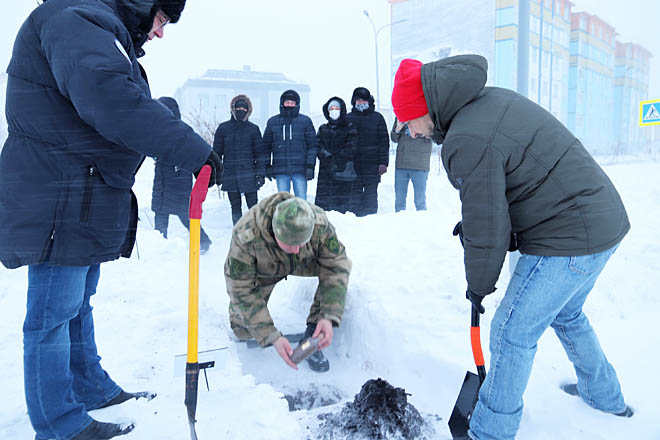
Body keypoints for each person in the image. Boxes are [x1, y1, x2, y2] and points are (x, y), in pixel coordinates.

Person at [0, 1, 223, 439]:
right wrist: (189, 148)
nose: (159, 33)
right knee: (52, 316)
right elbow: (112, 101)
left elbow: (119, 101)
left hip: (79, 192)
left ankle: (89, 388)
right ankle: (59, 424)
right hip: (58, 194)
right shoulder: (75, 19)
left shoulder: (98, 27)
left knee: (77, 304)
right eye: (162, 20)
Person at [392, 55, 632, 440]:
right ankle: (604, 397)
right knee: (567, 313)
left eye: (408, 121)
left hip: (568, 234)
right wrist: (480, 228)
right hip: (601, 220)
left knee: (510, 330)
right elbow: (497, 200)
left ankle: (490, 433)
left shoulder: (466, 138)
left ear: (424, 110)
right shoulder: (483, 102)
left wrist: (478, 286)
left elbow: (488, 226)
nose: (411, 132)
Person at [224, 193, 351, 373]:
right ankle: (243, 324)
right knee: (243, 330)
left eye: (302, 242)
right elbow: (240, 289)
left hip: (304, 263)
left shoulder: (317, 223)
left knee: (332, 272)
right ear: (275, 232)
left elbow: (336, 264)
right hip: (264, 269)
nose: (296, 249)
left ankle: (312, 331)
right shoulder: (246, 235)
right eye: (290, 244)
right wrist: (271, 336)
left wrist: (328, 315)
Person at [152, 97, 212, 251]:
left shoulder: (181, 131)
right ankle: (159, 245)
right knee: (160, 214)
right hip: (162, 180)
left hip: (178, 180)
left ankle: (204, 241)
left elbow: (193, 154)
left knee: (184, 214)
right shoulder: (158, 131)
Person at [213, 94, 267, 224]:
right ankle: (238, 231)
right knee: (235, 207)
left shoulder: (253, 129)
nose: (240, 111)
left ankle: (256, 230)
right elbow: (216, 154)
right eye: (238, 108)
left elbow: (260, 154)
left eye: (244, 109)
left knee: (253, 207)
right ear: (233, 109)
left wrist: (260, 174)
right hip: (230, 174)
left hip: (249, 173)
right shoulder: (223, 128)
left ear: (248, 111)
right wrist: (217, 173)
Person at [262, 89, 318, 200]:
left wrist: (310, 166)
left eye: (292, 103)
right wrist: (267, 165)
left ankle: (302, 218)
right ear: (282, 103)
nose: (290, 105)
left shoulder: (305, 121)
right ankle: (285, 218)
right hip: (281, 170)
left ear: (297, 104)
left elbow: (312, 146)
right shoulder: (273, 122)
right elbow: (266, 147)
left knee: (301, 201)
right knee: (283, 202)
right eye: (287, 103)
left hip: (300, 170)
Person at [345, 87, 389, 216]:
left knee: (371, 195)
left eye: (363, 100)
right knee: (354, 195)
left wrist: (383, 163)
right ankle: (356, 222)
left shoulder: (377, 118)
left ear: (369, 101)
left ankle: (371, 221)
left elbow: (384, 141)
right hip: (353, 165)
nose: (361, 103)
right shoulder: (348, 118)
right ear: (354, 102)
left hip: (373, 165)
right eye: (358, 100)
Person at [315, 97, 358, 213]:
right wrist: (327, 156)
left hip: (342, 170)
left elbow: (352, 146)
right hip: (325, 171)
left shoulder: (349, 127)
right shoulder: (323, 129)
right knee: (323, 206)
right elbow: (318, 145)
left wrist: (339, 158)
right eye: (331, 108)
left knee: (342, 205)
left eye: (337, 108)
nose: (334, 111)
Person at [390, 117, 433, 212]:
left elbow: (436, 136)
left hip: (420, 165)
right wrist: (398, 128)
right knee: (399, 201)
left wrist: (425, 132)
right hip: (402, 164)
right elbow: (394, 138)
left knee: (420, 201)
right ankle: (399, 223)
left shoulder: (427, 115)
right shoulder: (401, 115)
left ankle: (422, 223)